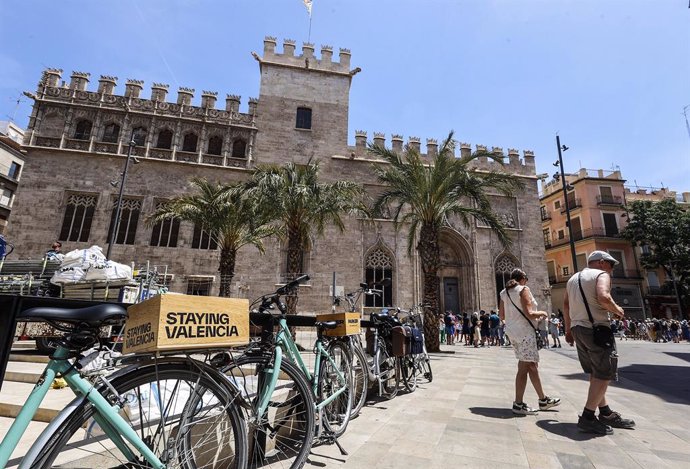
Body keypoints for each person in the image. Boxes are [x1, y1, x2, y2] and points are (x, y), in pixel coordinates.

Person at [563, 251, 635, 435]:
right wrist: (617, 310)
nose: (611, 271)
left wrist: (568, 329)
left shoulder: (573, 278)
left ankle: (606, 413)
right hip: (597, 330)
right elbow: (604, 297)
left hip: (578, 329)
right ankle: (587, 417)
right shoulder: (601, 275)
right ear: (602, 263)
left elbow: (566, 304)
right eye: (611, 266)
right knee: (604, 375)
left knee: (596, 373)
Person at [499, 268, 560, 415]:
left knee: (530, 365)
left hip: (513, 332)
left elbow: (502, 315)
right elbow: (530, 313)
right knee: (524, 366)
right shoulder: (523, 289)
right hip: (525, 333)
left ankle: (543, 400)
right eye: (526, 279)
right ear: (523, 279)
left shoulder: (504, 292)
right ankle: (518, 404)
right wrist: (543, 313)